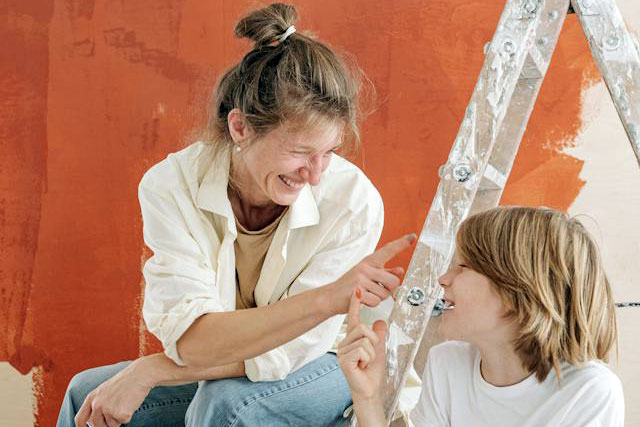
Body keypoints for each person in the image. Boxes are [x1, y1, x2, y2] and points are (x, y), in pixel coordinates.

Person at [57, 4, 416, 427]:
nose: (316, 175)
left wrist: (154, 370)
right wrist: (326, 298)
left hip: (335, 362)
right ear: (240, 128)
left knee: (227, 403)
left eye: (330, 153)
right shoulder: (171, 185)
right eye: (299, 151)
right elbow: (192, 341)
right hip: (224, 365)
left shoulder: (353, 201)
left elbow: (293, 350)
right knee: (87, 391)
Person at [338, 206, 625, 427]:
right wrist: (367, 397)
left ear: (514, 289)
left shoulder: (589, 391)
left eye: (462, 266)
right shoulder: (447, 363)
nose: (444, 279)